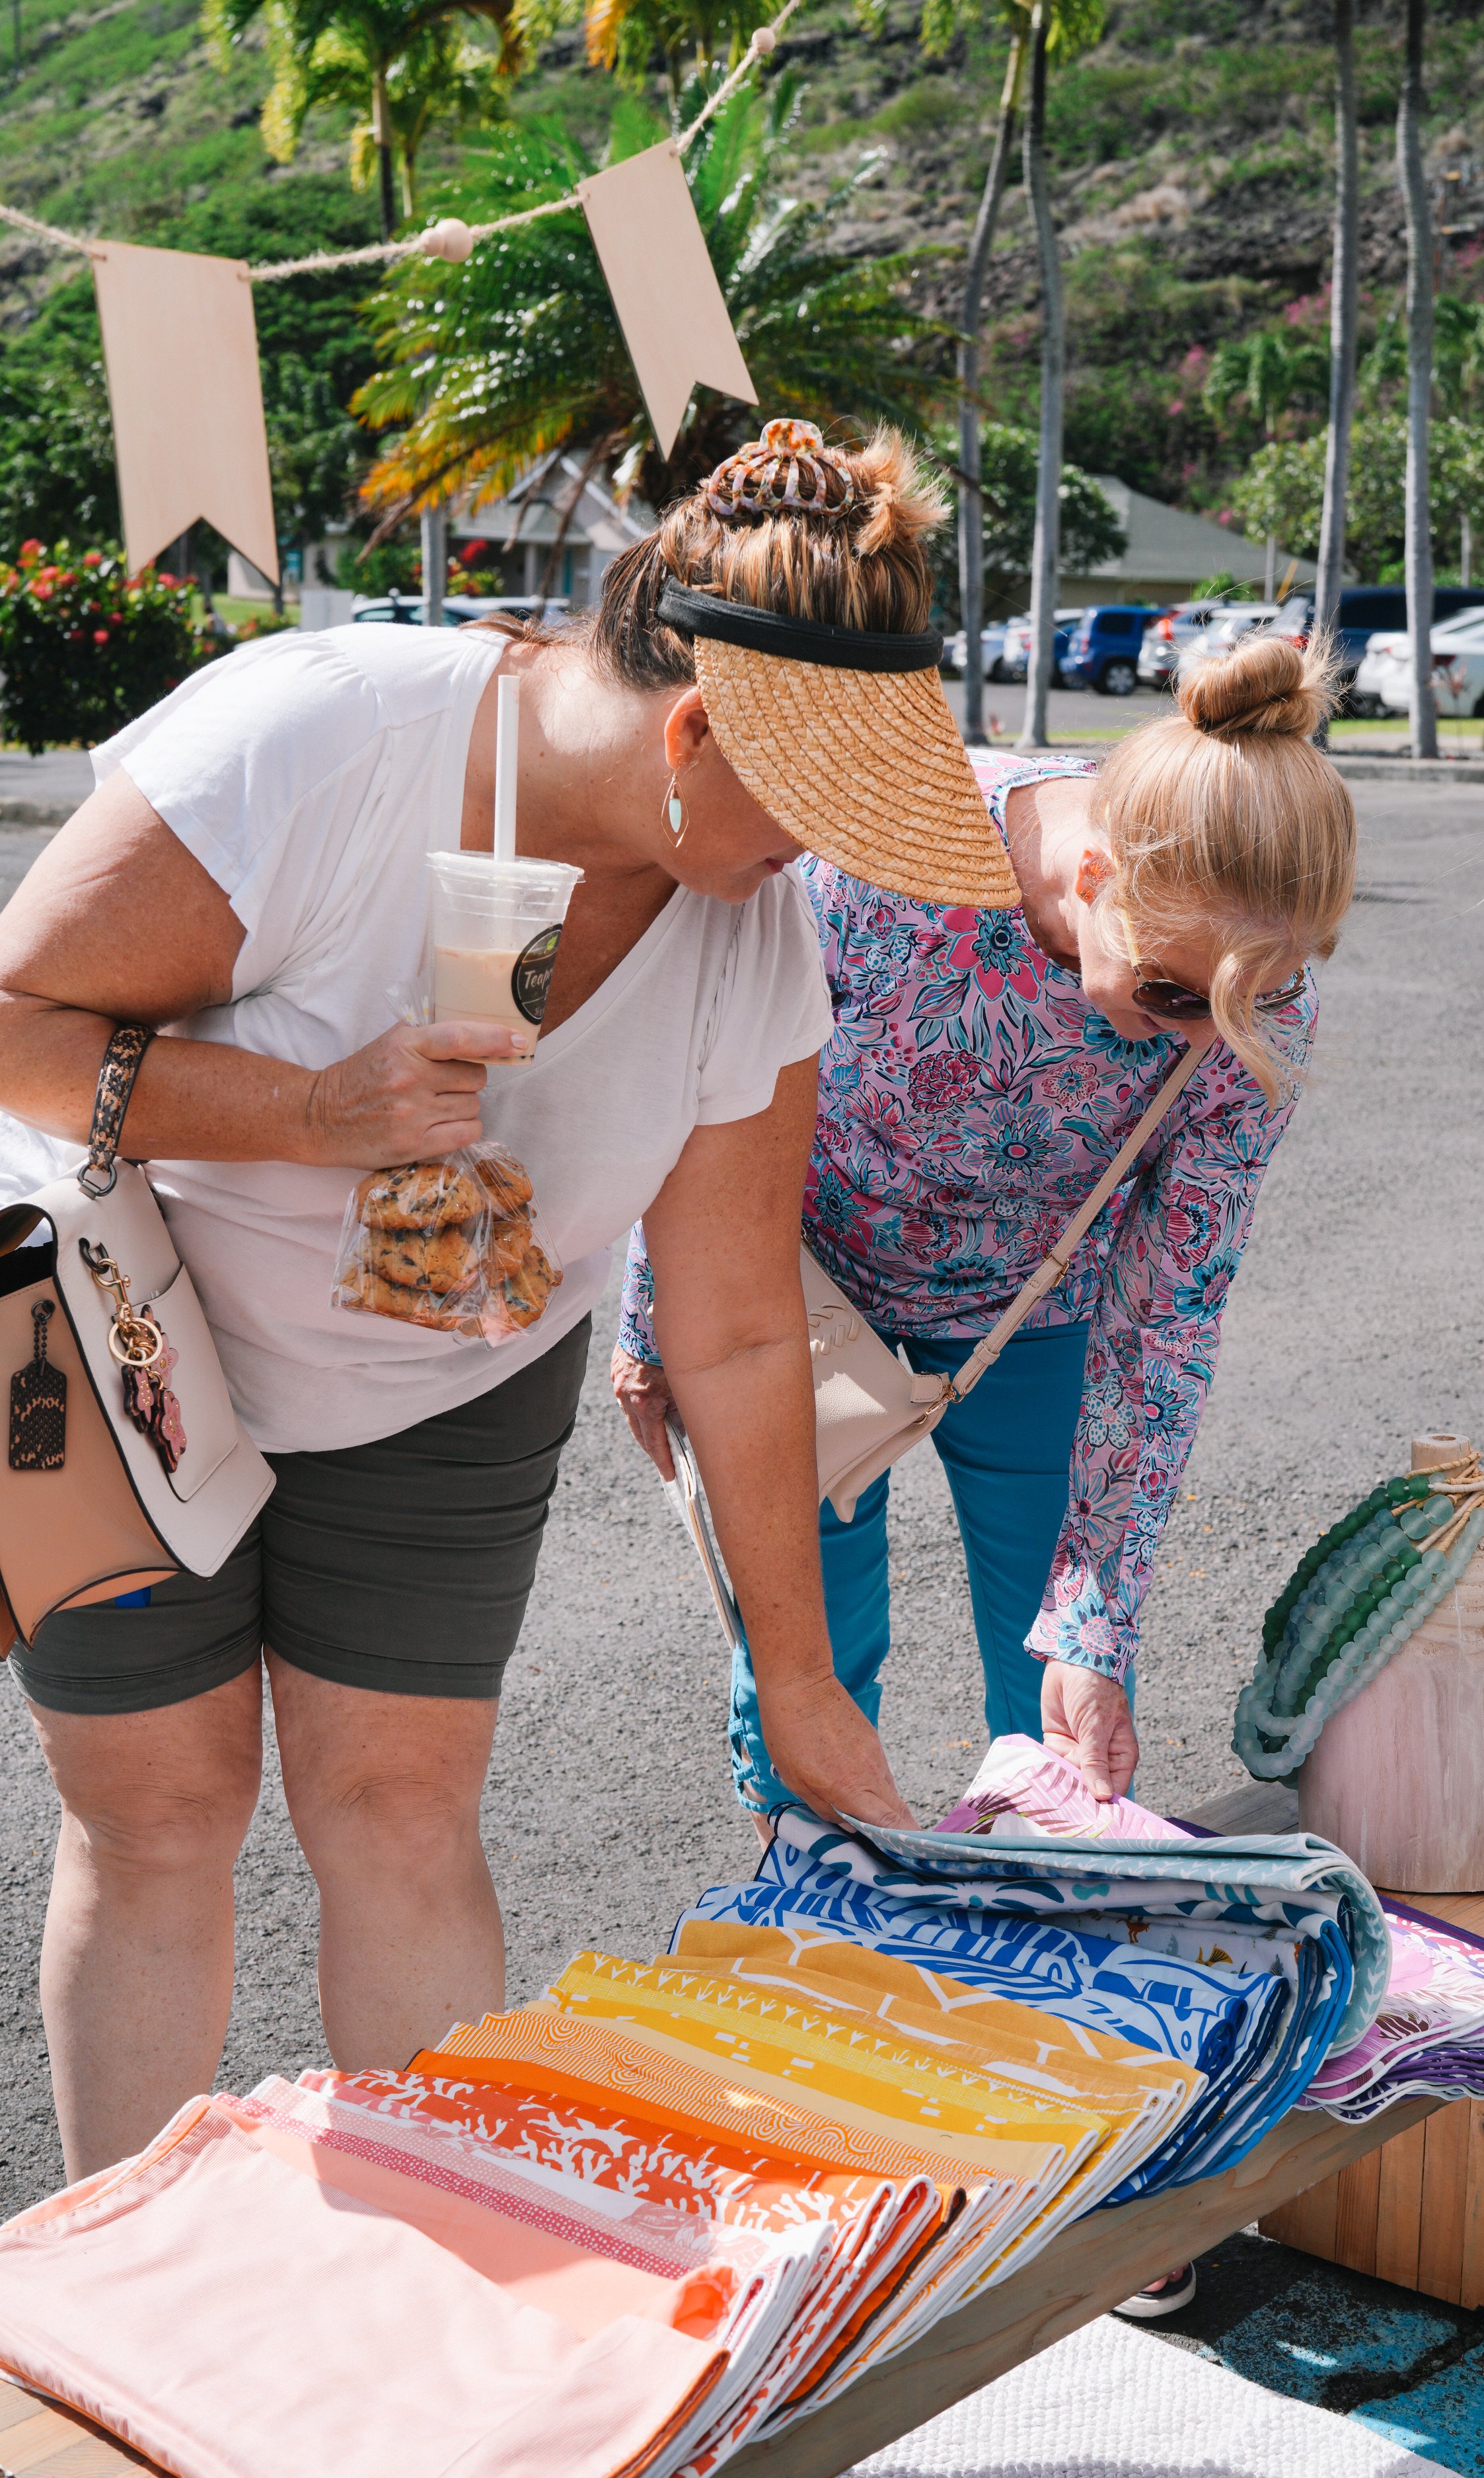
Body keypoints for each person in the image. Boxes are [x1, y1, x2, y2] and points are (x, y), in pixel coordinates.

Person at [0, 417, 1014, 2183]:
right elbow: (14, 1025)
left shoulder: (745, 934)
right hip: (111, 1323)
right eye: (814, 815)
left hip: (443, 1378)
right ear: (696, 736)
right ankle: (119, 2307)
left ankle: (421, 2303)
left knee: (398, 1812)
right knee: (161, 1816)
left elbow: (735, 1326)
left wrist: (795, 1669)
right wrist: (307, 1113)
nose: (822, 863)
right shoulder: (323, 740)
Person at [613, 631, 1356, 2317]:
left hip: (1040, 1324)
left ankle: (1081, 2128)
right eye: (1173, 995)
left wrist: (1098, 1616)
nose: (1208, 1031)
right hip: (790, 1314)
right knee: (809, 1690)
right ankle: (835, 2065)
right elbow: (702, 1091)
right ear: (1086, 865)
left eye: (1254, 999)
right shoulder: (899, 851)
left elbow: (1176, 1309)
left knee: (1065, 1732)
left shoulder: (1248, 985)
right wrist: (660, 1316)